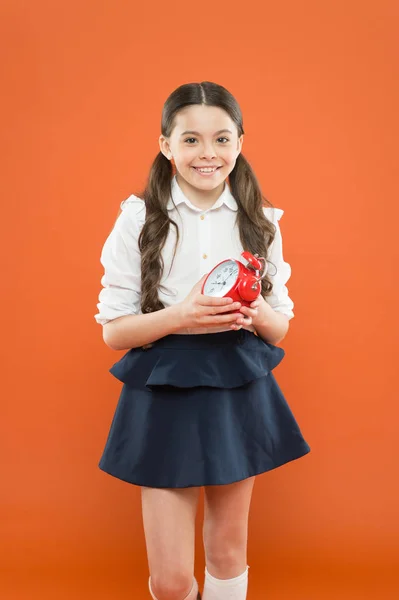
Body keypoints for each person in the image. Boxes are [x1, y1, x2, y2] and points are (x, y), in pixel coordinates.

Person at [94, 81, 310, 600]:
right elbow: (113, 331)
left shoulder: (262, 221)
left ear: (240, 142)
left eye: (221, 138)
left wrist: (255, 309)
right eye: (190, 140)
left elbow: (280, 328)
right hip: (164, 384)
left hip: (237, 383)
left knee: (228, 551)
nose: (207, 153)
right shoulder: (138, 219)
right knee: (171, 581)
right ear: (166, 145)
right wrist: (182, 316)